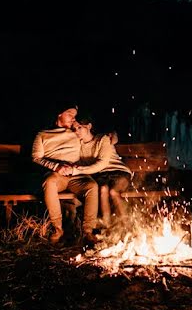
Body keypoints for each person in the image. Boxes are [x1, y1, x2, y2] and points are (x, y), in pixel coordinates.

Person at [31, 105, 98, 245]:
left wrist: (113, 136)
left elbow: (94, 138)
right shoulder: (42, 134)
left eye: (75, 115)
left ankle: (88, 231)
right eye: (70, 114)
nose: (73, 118)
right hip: (57, 174)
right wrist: (56, 167)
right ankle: (58, 229)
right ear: (59, 114)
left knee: (92, 186)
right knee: (49, 182)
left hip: (76, 173)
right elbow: (36, 157)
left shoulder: (76, 132)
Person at [71, 115, 133, 229]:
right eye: (74, 129)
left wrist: (78, 170)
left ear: (89, 126)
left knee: (114, 192)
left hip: (119, 171)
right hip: (101, 175)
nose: (77, 131)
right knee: (103, 189)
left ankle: (128, 225)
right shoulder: (78, 146)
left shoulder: (102, 139)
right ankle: (107, 226)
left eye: (80, 127)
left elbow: (102, 163)